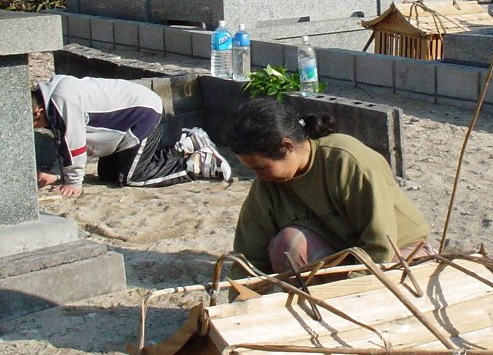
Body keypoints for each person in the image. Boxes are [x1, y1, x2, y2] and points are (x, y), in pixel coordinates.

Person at [227, 97, 433, 274]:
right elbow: (249, 258)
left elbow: (380, 246)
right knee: (287, 246)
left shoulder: (347, 161)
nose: (259, 176)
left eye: (261, 167)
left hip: (397, 252)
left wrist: (351, 294)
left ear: (287, 146)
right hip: (340, 256)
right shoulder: (266, 187)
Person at [33, 74, 230, 196]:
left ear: (38, 111)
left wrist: (73, 183)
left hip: (142, 115)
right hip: (125, 120)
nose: (41, 127)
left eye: (37, 124)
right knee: (108, 175)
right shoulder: (54, 97)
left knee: (132, 177)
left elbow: (73, 144)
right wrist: (56, 173)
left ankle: (195, 164)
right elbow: (64, 141)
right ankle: (184, 147)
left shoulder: (61, 101)